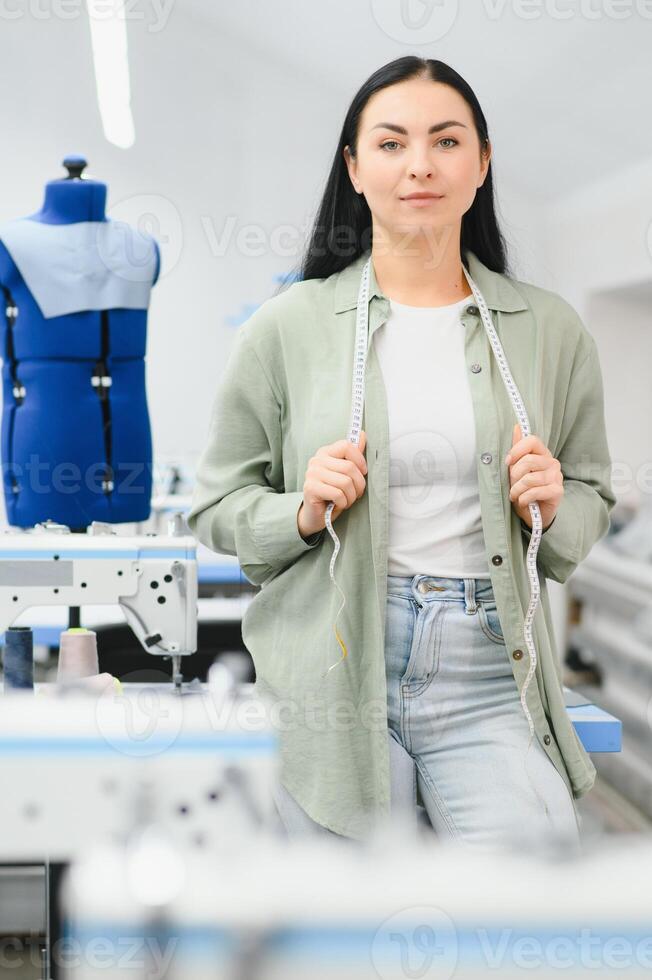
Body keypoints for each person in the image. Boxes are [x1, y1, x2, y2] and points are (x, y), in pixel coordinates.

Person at [187, 57, 615, 852]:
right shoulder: (286, 327)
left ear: (482, 163)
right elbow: (216, 508)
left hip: (490, 675)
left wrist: (557, 505)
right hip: (332, 667)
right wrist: (304, 510)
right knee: (347, 930)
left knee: (525, 903)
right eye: (391, 144)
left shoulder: (549, 329)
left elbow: (592, 490)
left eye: (446, 140)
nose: (419, 164)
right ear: (354, 167)